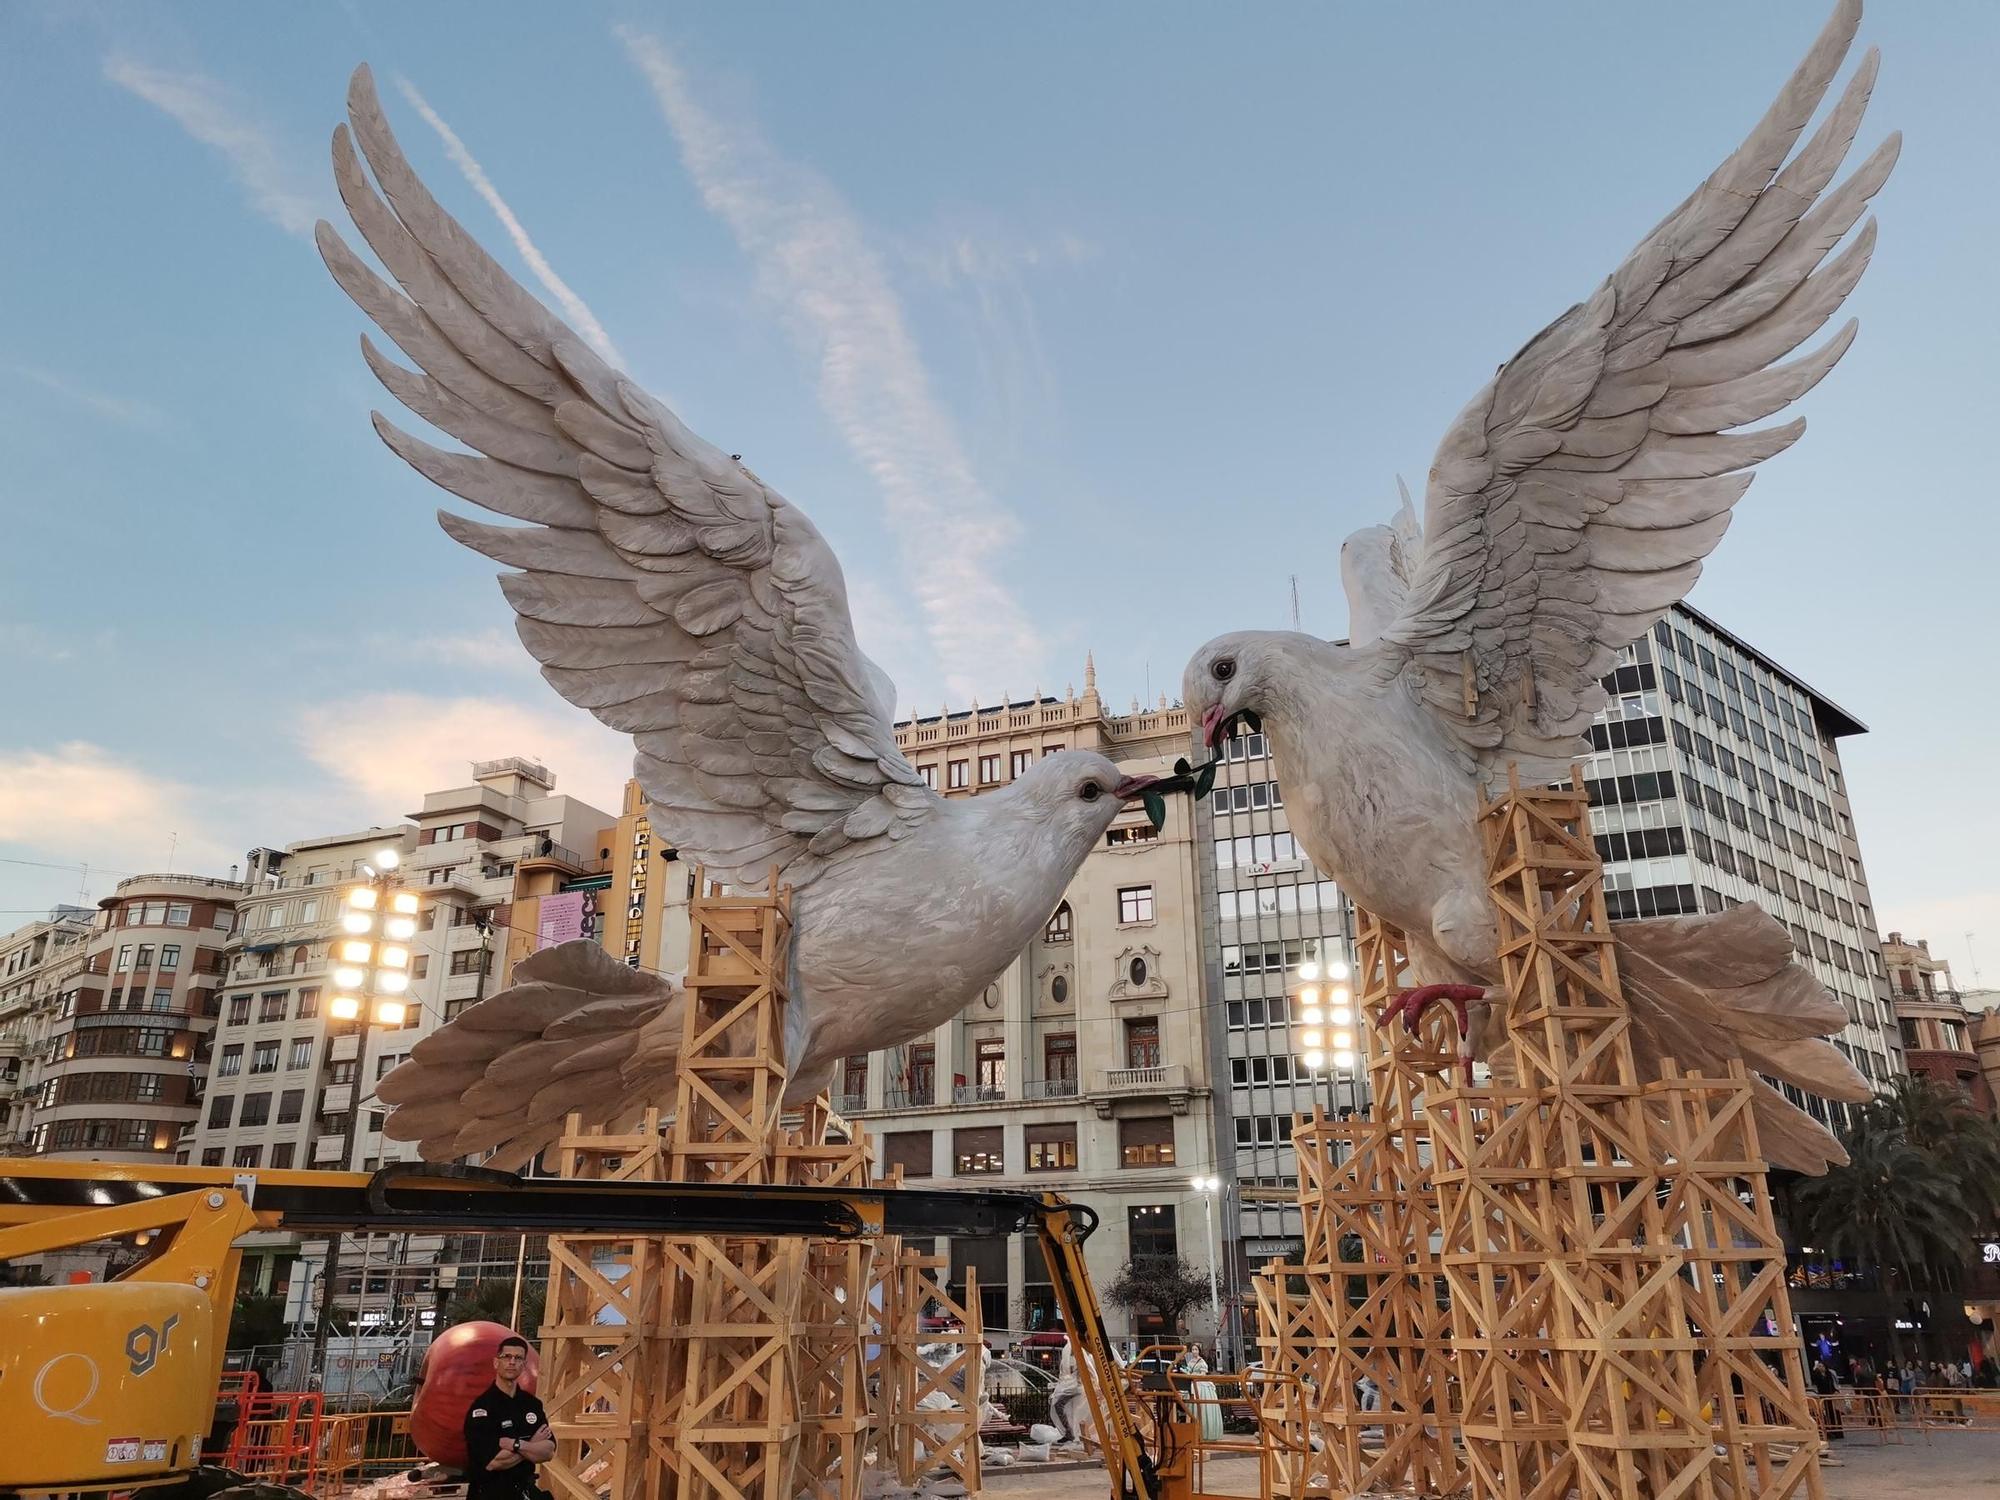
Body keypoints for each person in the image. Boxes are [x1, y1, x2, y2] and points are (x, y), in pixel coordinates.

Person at [464, 1336, 555, 1500]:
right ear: (496, 1362)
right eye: (507, 1356)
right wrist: (532, 1444)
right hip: (490, 1493)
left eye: (518, 1358)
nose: (512, 1362)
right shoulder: (482, 1408)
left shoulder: (532, 1404)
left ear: (524, 1365)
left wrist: (516, 1445)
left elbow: (548, 1451)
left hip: (524, 1491)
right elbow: (494, 1462)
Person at [1178, 1343, 1223, 1443]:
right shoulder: (1190, 1361)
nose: (1194, 1351)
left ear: (1199, 1351)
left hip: (1200, 1384)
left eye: (1196, 1350)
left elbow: (1203, 1374)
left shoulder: (1202, 1362)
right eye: (1193, 1350)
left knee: (1202, 1406)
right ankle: (1192, 1430)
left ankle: (1205, 1432)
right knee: (1190, 1405)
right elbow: (1188, 1370)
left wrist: (1192, 1375)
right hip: (1192, 1382)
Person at [1810, 1360, 1843, 1441]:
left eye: (1822, 1366)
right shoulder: (1817, 1375)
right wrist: (1815, 1368)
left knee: (1834, 1412)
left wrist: (1835, 1391)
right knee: (1826, 1413)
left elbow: (1832, 1384)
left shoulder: (1829, 1374)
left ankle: (1837, 1431)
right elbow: (1814, 1379)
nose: (1821, 1368)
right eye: (1819, 1366)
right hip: (1823, 1396)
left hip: (1830, 1395)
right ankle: (1829, 1430)